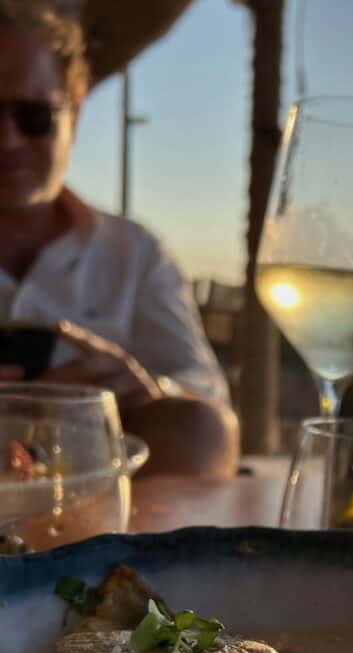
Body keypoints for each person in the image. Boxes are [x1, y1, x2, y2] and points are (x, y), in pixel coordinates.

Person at [0, 2, 240, 476]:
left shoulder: (136, 256)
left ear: (77, 110)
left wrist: (144, 387)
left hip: (90, 518)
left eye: (32, 116)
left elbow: (209, 407)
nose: (6, 140)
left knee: (199, 432)